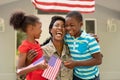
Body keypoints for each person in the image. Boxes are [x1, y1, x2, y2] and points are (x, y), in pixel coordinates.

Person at [27, 16, 73, 80]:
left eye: (63, 26)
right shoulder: (42, 52)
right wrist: (28, 63)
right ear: (50, 30)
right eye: (57, 25)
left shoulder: (71, 51)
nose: (60, 28)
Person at [64, 11, 103, 80]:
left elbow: (98, 60)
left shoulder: (89, 39)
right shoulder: (67, 38)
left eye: (72, 25)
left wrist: (76, 63)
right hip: (77, 76)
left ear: (81, 24)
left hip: (92, 77)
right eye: (66, 25)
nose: (68, 28)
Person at [9, 11, 48, 80]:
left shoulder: (37, 44)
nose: (41, 30)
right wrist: (37, 66)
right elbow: (19, 71)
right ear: (31, 28)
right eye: (40, 27)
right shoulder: (25, 46)